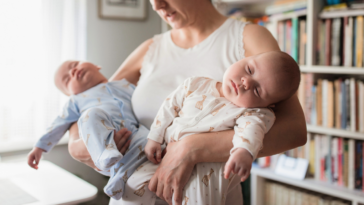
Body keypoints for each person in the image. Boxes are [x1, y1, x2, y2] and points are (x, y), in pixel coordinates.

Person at [68, 0, 307, 204]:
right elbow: (94, 100)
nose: (157, 5)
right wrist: (75, 143)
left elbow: (294, 131)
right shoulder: (150, 48)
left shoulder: (247, 37)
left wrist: (190, 148)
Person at [123, 50, 300, 204]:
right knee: (132, 188)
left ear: (268, 105)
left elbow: (251, 132)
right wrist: (155, 136)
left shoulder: (253, 113)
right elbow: (169, 107)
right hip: (163, 154)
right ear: (244, 58)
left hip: (207, 173)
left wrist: (243, 152)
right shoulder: (195, 84)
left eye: (257, 91)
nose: (246, 82)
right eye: (249, 70)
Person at [27, 61, 149, 199]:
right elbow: (58, 123)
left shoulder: (124, 85)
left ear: (96, 65)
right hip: (104, 136)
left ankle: (117, 180)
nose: (72, 72)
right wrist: (39, 147)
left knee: (148, 139)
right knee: (91, 114)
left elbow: (144, 100)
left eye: (74, 65)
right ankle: (105, 153)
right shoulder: (76, 101)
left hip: (132, 133)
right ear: (70, 93)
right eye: (67, 80)